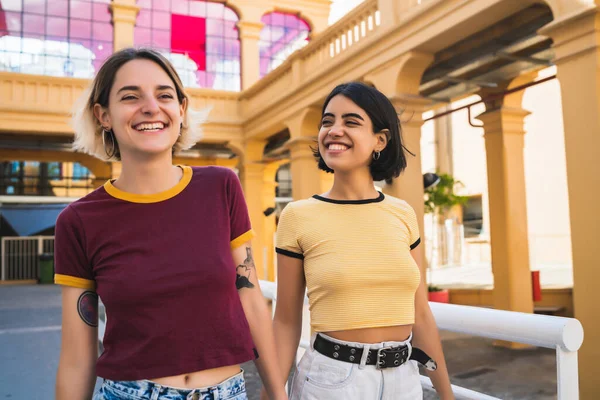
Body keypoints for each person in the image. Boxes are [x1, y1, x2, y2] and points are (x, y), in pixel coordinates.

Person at [54, 48, 287, 400]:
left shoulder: (221, 187)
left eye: (164, 95)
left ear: (181, 108)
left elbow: (251, 298)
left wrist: (278, 393)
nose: (151, 107)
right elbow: (76, 357)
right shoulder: (78, 221)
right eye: (130, 97)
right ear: (103, 115)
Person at [268, 82, 454, 399]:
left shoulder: (403, 214)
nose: (334, 130)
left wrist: (447, 394)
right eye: (327, 121)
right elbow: (286, 321)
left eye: (350, 122)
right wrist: (271, 393)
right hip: (332, 381)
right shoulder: (299, 216)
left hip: (404, 379)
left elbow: (420, 313)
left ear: (379, 140)